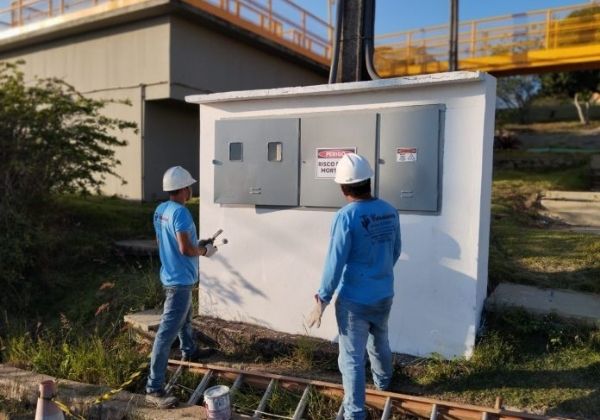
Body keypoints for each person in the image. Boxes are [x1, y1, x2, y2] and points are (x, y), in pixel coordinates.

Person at [307, 153, 401, 420]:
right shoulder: (389, 210)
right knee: (380, 339)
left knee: (351, 358)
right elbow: (395, 251)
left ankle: (355, 414)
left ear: (343, 187)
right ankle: (384, 383)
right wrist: (379, 273)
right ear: (369, 181)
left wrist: (322, 299)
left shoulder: (346, 216)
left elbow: (334, 262)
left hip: (354, 302)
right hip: (384, 293)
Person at [145, 166, 218, 409]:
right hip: (179, 281)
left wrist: (198, 243)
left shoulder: (160, 210)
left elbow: (164, 241)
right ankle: (154, 388)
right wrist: (205, 251)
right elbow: (186, 250)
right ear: (184, 189)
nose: (191, 190)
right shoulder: (182, 214)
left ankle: (189, 350)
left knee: (185, 317)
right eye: (190, 186)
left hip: (170, 276)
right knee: (165, 334)